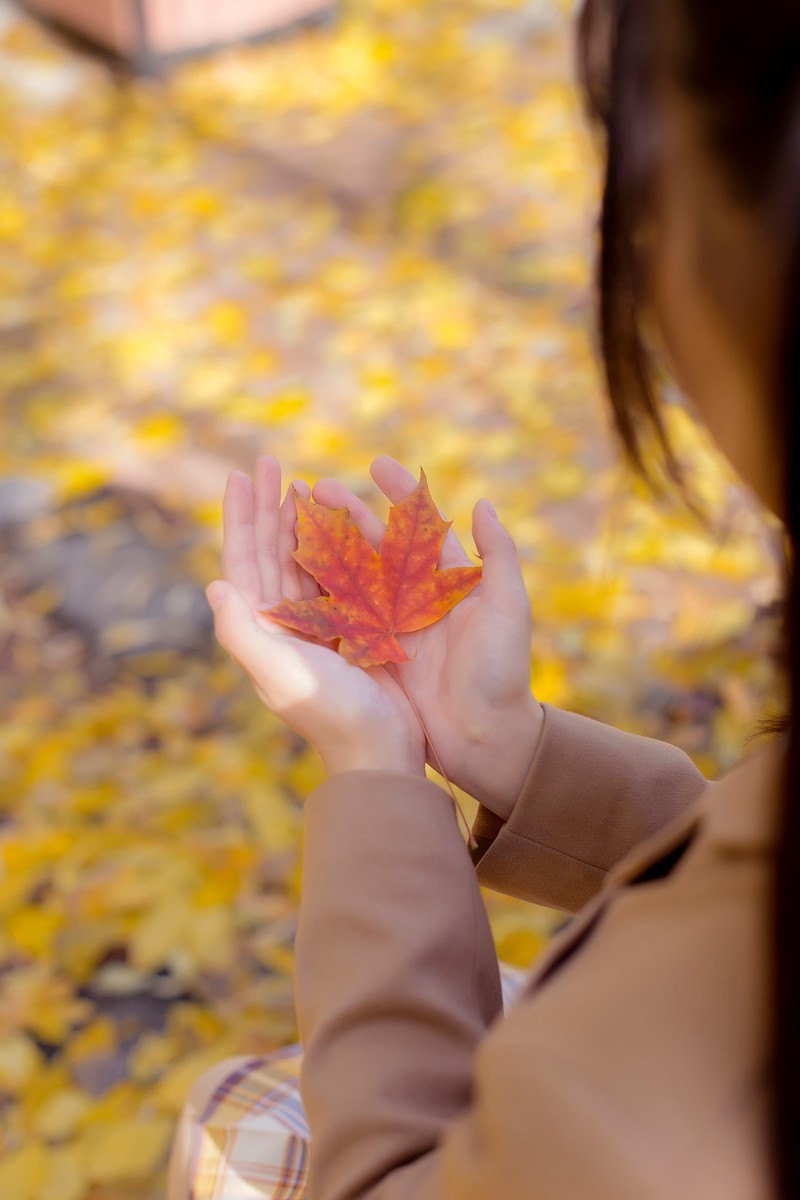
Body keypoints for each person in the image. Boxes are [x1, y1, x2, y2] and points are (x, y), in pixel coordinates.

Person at [167, 0, 800, 1196]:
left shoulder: (691, 1098)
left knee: (230, 1120)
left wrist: (371, 775)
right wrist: (510, 753)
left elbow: (397, 1175)